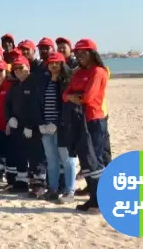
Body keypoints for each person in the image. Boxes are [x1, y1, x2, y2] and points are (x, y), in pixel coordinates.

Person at [63, 38, 109, 213]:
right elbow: (65, 94)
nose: (79, 56)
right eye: (77, 53)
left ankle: (100, 200)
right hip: (79, 120)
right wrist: (74, 96)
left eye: (83, 53)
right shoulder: (78, 72)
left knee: (95, 161)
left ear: (92, 53)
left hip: (94, 120)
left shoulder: (98, 71)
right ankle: (93, 198)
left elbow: (88, 98)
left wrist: (75, 96)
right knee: (86, 161)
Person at [4, 56, 46, 194]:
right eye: (15, 68)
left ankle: (39, 183)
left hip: (32, 127)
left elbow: (38, 107)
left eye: (21, 67)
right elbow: (7, 105)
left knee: (36, 155)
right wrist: (9, 118)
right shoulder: (15, 86)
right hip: (17, 126)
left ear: (28, 67)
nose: (17, 70)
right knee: (19, 153)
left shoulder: (36, 83)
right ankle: (22, 181)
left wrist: (32, 126)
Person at [38, 52, 75, 203]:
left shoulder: (67, 81)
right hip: (46, 127)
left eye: (57, 63)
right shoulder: (44, 81)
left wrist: (58, 123)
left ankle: (69, 191)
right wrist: (41, 123)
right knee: (51, 159)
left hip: (63, 127)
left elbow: (68, 106)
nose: (53, 65)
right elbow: (40, 104)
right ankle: (53, 189)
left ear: (62, 64)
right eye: (51, 63)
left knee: (67, 159)